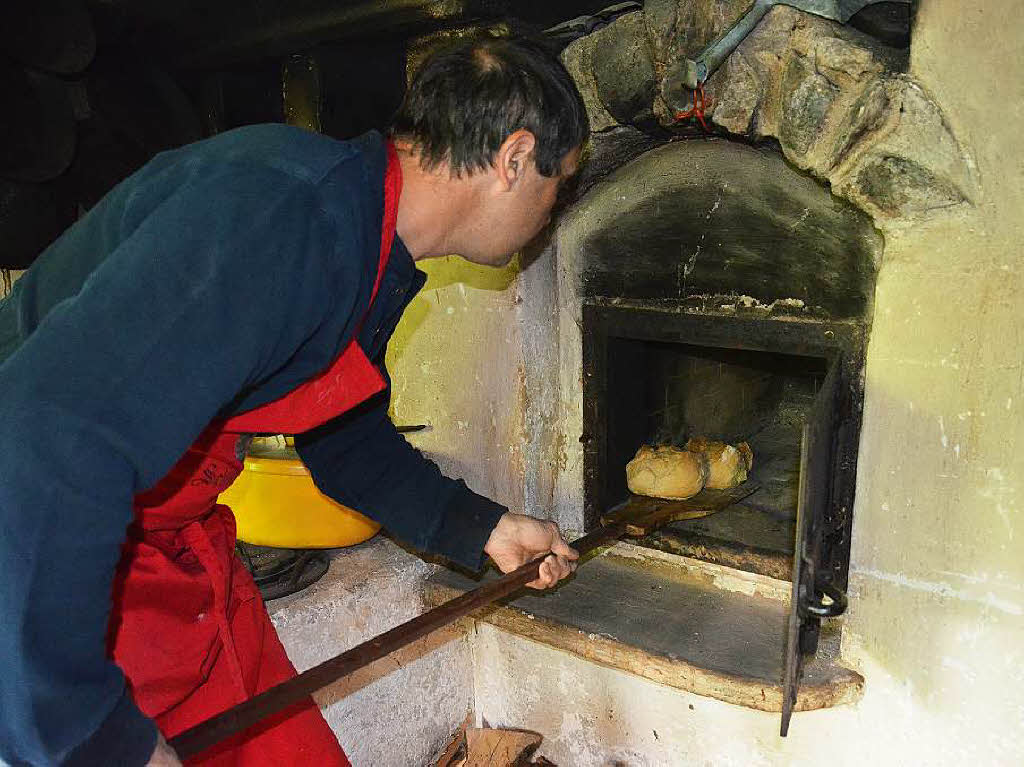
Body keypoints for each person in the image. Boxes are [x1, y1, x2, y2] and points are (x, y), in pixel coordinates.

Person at [0, 35, 588, 767]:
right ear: (513, 159)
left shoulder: (364, 238)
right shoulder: (281, 214)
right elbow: (49, 445)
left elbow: (340, 435)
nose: (553, 208)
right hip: (58, 570)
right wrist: (92, 741)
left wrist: (483, 526)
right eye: (558, 184)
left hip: (180, 562)